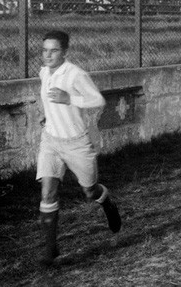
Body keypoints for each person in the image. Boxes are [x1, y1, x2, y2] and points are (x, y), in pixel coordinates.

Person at [36, 30, 121, 266]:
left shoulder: (75, 74)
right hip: (51, 141)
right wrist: (48, 116)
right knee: (48, 192)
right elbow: (48, 99)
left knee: (89, 191)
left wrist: (69, 99)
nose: (48, 55)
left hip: (77, 144)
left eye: (54, 51)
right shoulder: (44, 72)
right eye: (44, 50)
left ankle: (107, 202)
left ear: (65, 52)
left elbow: (98, 100)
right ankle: (50, 250)